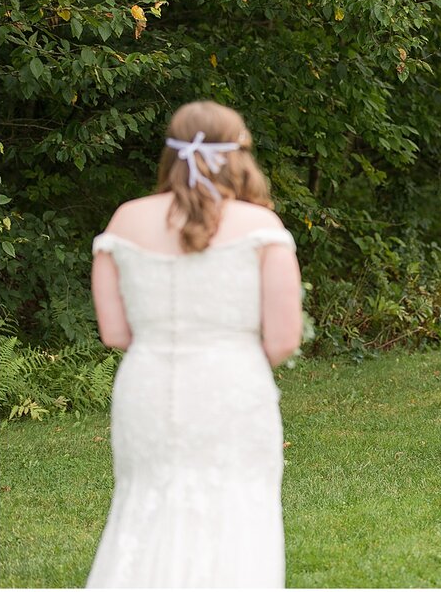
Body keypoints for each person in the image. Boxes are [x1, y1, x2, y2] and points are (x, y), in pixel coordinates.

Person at [87, 100, 302, 587]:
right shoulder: (261, 228)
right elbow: (284, 338)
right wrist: (230, 360)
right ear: (239, 153)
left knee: (145, 504)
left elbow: (115, 334)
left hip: (147, 386)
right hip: (232, 385)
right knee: (236, 507)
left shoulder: (123, 222)